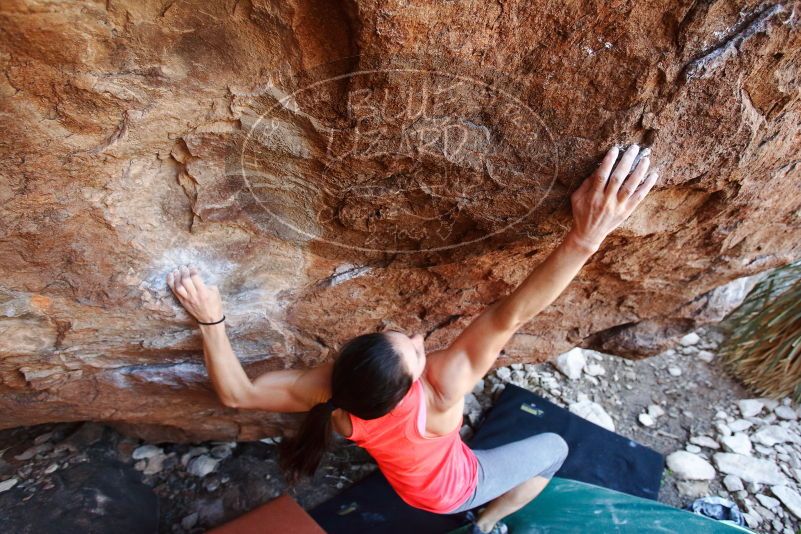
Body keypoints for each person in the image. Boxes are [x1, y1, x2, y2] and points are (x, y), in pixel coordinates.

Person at [166, 144, 658, 533]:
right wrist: (585, 237)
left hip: (407, 481)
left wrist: (211, 320)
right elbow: (511, 315)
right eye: (417, 352)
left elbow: (238, 394)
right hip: (452, 492)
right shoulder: (441, 390)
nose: (421, 338)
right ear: (409, 386)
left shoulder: (332, 392)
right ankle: (486, 523)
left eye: (404, 338)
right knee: (554, 446)